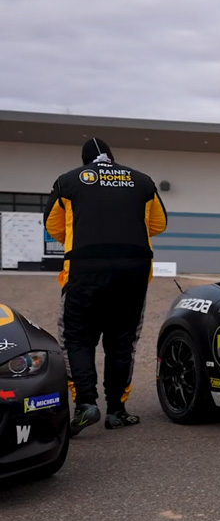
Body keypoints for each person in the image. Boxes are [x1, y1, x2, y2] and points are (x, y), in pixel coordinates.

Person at [43, 137, 168, 435]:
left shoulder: (67, 182)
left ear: (85, 160)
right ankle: (117, 410)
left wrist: (81, 240)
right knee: (122, 343)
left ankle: (86, 403)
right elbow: (158, 225)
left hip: (84, 271)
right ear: (112, 158)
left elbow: (53, 226)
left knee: (77, 339)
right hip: (133, 274)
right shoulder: (142, 181)